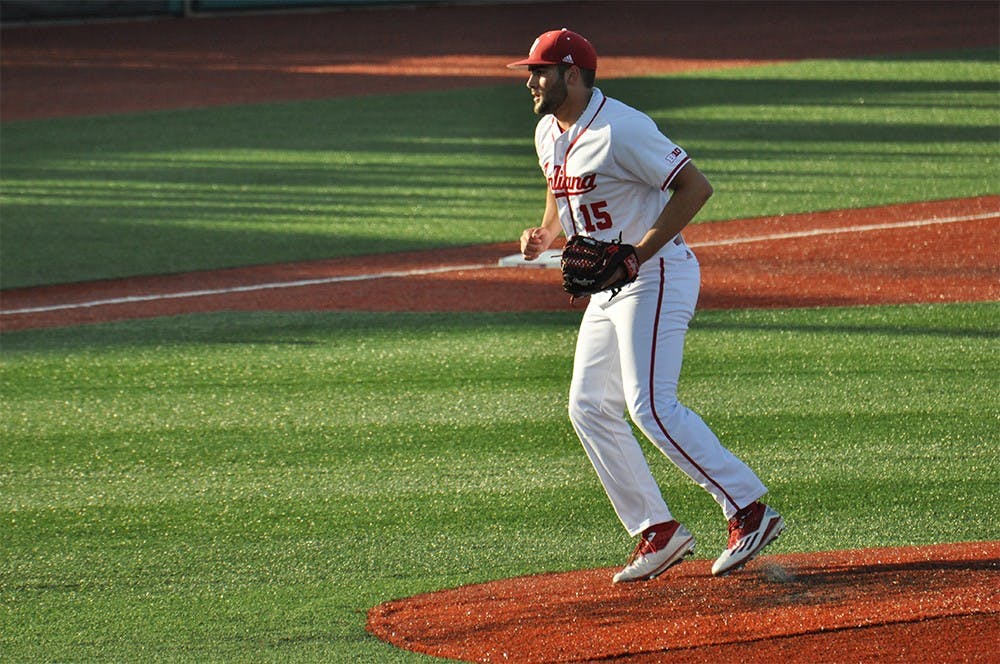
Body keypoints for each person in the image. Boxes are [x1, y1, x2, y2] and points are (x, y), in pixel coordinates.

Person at [508, 29, 784, 582]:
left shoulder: (622, 128)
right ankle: (657, 530)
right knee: (588, 405)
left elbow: (695, 188)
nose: (531, 81)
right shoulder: (548, 130)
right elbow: (560, 188)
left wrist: (636, 255)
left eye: (541, 71)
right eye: (531, 72)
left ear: (573, 75)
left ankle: (749, 509)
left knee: (650, 406)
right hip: (612, 284)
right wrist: (545, 232)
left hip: (656, 275)